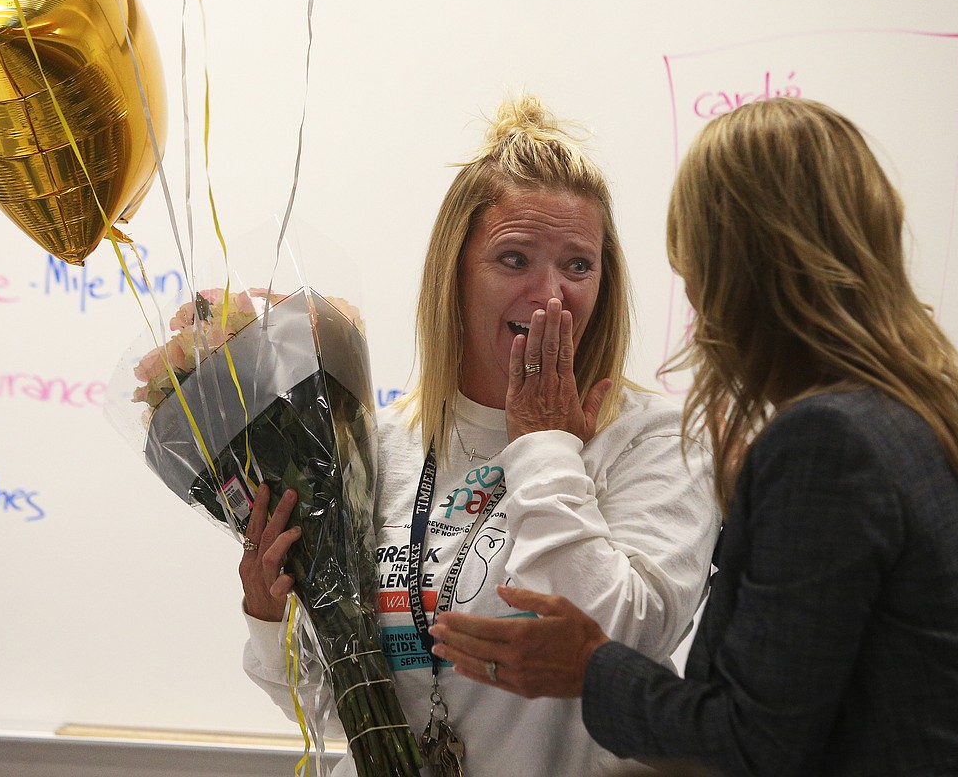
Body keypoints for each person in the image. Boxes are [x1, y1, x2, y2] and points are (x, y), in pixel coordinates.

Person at [428, 97, 958, 777]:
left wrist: (590, 666)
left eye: (695, 258)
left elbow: (754, 742)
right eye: (514, 259)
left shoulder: (823, 443)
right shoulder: (914, 414)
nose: (693, 295)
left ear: (745, 267)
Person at [238, 93, 721, 777]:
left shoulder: (657, 439)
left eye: (578, 265)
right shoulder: (380, 446)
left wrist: (547, 447)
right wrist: (267, 614)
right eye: (515, 259)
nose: (551, 295)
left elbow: (619, 648)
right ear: (454, 279)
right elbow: (339, 703)